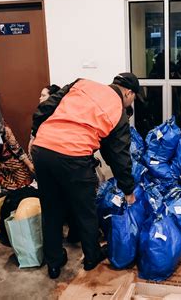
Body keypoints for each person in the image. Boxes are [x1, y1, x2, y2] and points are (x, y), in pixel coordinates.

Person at [31, 73, 139, 279]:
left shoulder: (82, 83)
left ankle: (53, 264)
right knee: (86, 209)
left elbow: (45, 107)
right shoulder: (118, 111)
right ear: (128, 92)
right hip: (74, 156)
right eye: (133, 98)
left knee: (51, 209)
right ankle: (91, 257)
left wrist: (36, 132)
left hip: (42, 149)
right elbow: (119, 156)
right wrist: (128, 189)